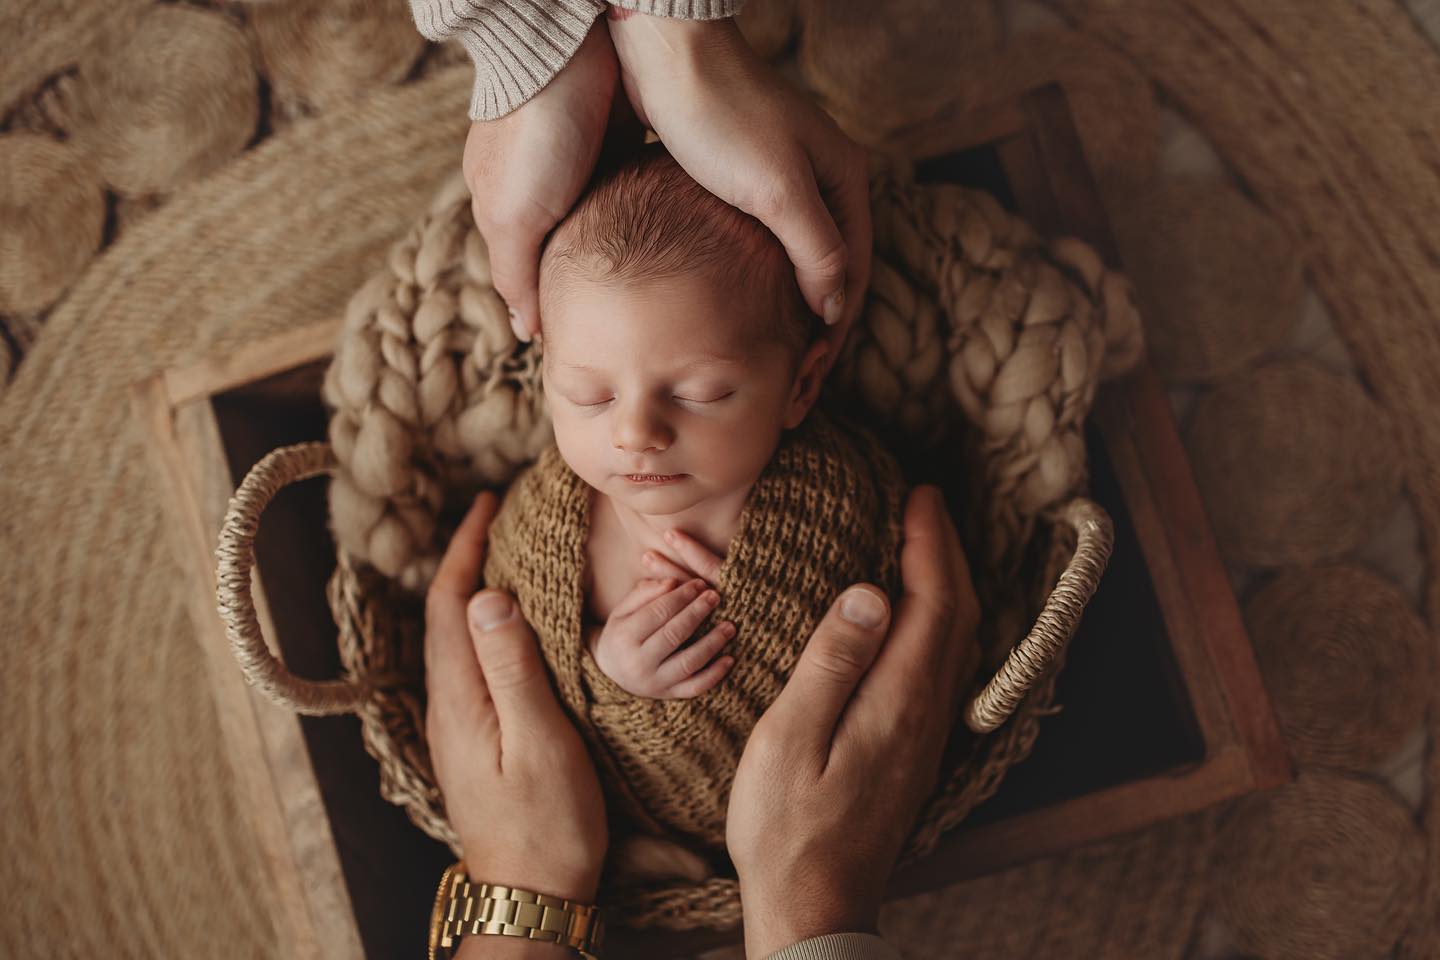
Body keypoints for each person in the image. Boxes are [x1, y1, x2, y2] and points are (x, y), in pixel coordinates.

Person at [425, 483, 980, 958]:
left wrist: (516, 886)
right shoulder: (554, 515)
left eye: (705, 394)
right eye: (590, 397)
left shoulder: (827, 491)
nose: (635, 433)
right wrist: (814, 901)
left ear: (803, 386)